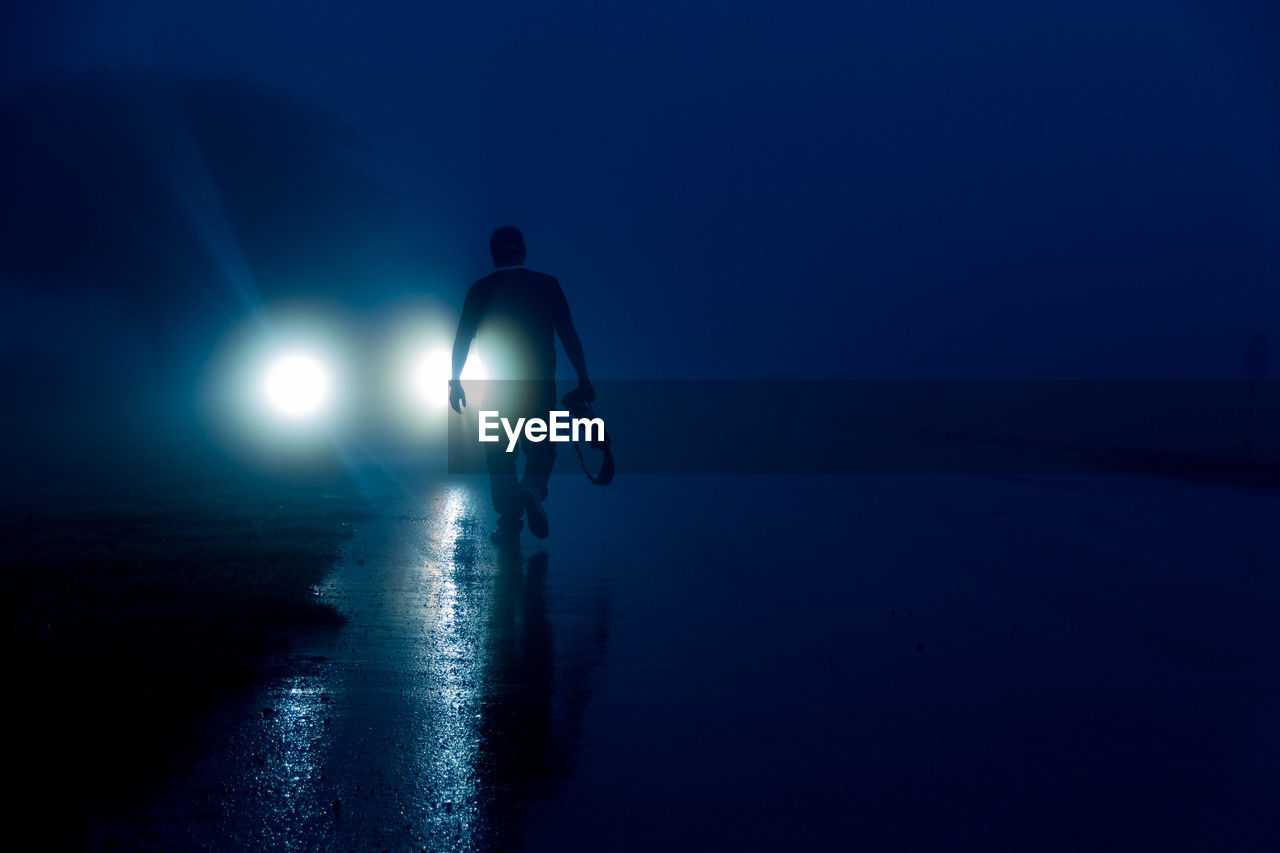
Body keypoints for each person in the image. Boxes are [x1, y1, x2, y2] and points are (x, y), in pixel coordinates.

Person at [450, 226, 594, 542]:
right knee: (542, 449)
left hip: (497, 388)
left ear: (493, 255)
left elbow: (463, 337)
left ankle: (508, 523)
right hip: (539, 385)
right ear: (524, 251)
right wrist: (583, 377)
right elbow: (568, 333)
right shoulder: (547, 285)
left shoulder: (480, 289)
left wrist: (455, 380)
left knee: (499, 455)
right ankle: (532, 487)